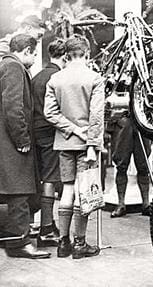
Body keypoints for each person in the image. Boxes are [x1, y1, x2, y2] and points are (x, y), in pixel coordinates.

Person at [44, 34, 105, 259]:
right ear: (87, 54)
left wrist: (71, 129)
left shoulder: (55, 80)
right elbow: (97, 115)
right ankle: (80, 244)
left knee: (67, 189)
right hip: (87, 146)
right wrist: (90, 141)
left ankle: (63, 243)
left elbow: (49, 113)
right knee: (84, 192)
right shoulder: (95, 78)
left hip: (64, 143)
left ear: (67, 55)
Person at [0, 34, 50, 259]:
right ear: (28, 50)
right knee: (19, 191)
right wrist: (22, 140)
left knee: (15, 191)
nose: (34, 59)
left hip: (5, 141)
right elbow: (13, 107)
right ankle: (19, 243)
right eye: (34, 53)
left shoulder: (5, 65)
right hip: (11, 143)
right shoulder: (14, 67)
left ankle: (14, 238)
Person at [32, 39, 67, 247]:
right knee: (51, 178)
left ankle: (47, 224)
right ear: (64, 57)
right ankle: (46, 229)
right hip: (50, 132)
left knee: (44, 177)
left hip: (36, 131)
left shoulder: (37, 76)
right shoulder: (58, 76)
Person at [109, 113, 151, 218]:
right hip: (122, 122)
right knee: (121, 165)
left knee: (143, 165)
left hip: (142, 121)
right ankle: (121, 204)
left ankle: (146, 204)